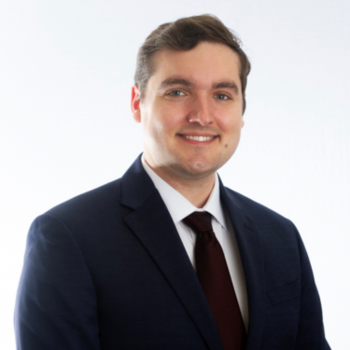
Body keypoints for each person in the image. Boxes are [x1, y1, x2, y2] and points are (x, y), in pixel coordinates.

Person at [14, 14, 331, 350]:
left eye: (222, 95)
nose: (202, 115)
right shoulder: (68, 239)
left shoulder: (281, 238)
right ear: (138, 102)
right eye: (178, 91)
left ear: (241, 110)